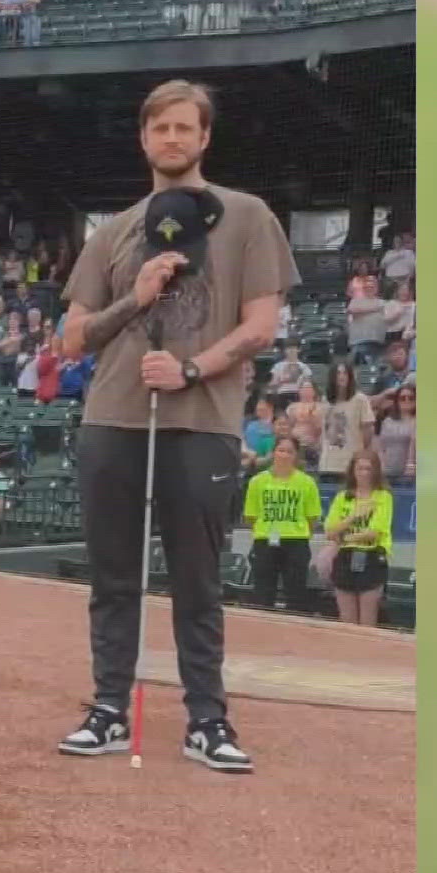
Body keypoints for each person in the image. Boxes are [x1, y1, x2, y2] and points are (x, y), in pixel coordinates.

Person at [54, 79, 298, 773]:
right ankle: (108, 708)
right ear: (144, 138)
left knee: (198, 578)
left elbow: (260, 324)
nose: (172, 139)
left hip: (203, 421)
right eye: (160, 128)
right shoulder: (114, 233)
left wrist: (192, 371)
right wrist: (135, 298)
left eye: (184, 128)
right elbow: (74, 340)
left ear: (204, 138)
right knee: (113, 575)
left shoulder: (248, 217)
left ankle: (206, 718)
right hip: (115, 415)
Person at [242, 434, 323, 613]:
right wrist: (264, 530)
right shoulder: (257, 481)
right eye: (281, 450)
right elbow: (251, 516)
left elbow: (312, 517)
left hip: (296, 540)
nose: (284, 455)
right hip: (265, 540)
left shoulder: (307, 482)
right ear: (273, 453)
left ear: (296, 456)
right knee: (263, 593)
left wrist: (297, 531)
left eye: (289, 451)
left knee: (296, 594)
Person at [324, 450, 395, 626]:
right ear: (352, 470)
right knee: (347, 620)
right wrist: (354, 516)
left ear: (375, 471)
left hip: (371, 556)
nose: (363, 473)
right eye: (360, 468)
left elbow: (374, 532)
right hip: (345, 558)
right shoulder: (343, 497)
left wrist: (344, 537)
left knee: (367, 621)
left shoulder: (383, 497)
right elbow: (331, 532)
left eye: (368, 469)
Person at [316, 362, 374, 483]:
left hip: (350, 465)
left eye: (345, 373)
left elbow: (368, 431)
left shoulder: (360, 400)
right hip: (328, 465)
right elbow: (323, 429)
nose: (341, 376)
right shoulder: (325, 400)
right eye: (338, 373)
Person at [377, 384, 417, 486]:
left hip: (410, 474)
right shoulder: (387, 421)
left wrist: (411, 465)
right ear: (397, 401)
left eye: (411, 398)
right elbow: (381, 447)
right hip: (388, 472)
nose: (407, 401)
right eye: (402, 398)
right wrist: (381, 466)